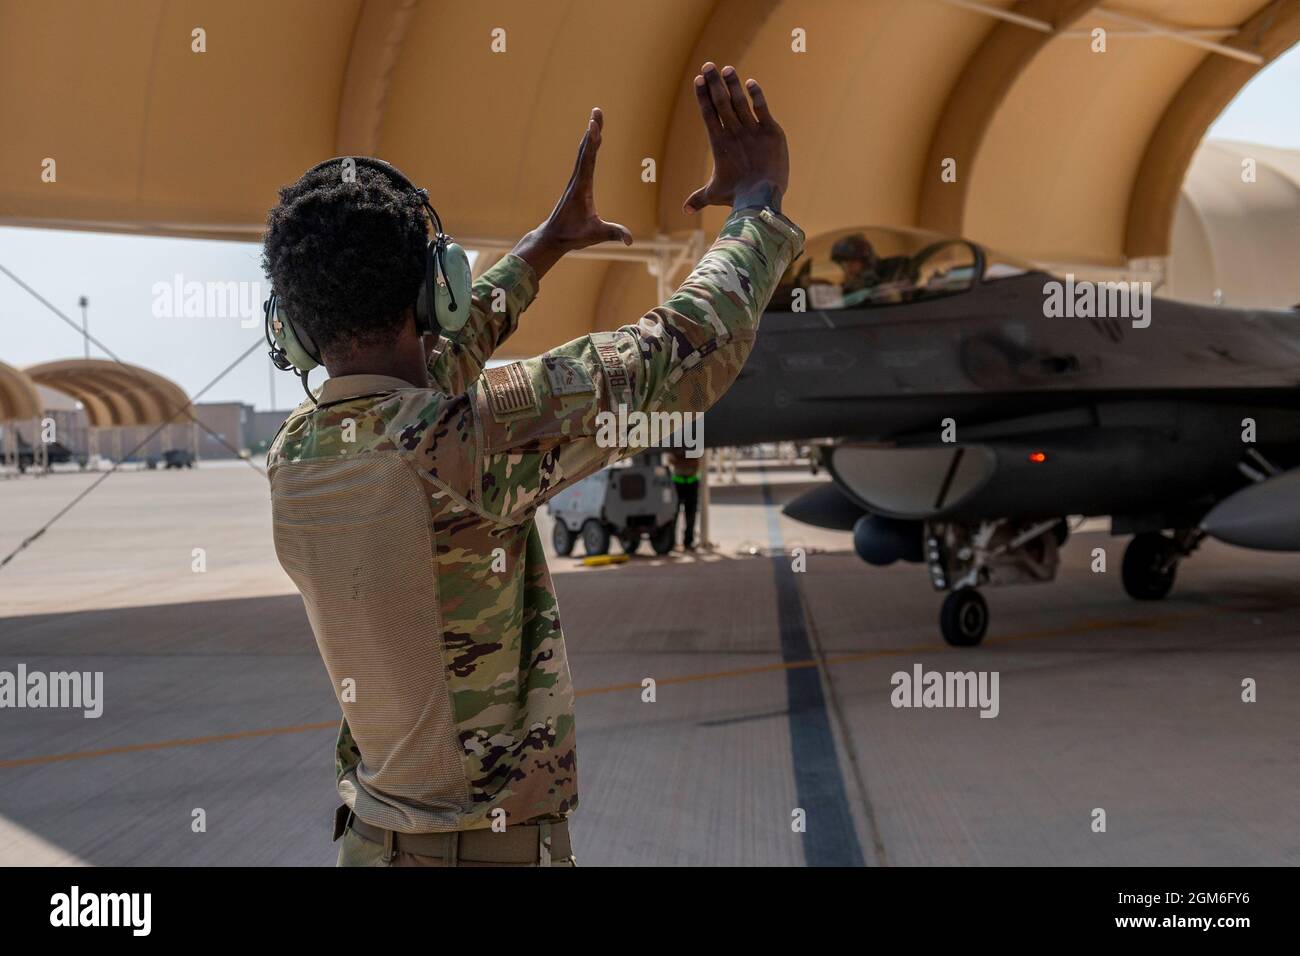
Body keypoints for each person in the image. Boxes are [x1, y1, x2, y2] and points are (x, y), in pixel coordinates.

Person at [262, 62, 802, 866]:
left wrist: (544, 248)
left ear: (294, 332)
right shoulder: (457, 443)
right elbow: (681, 351)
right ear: (433, 290)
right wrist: (758, 204)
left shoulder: (297, 451)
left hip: (375, 842)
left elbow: (433, 366)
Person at [831, 232, 911, 306]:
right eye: (843, 263)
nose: (846, 267)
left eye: (851, 262)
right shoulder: (847, 286)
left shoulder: (891, 274)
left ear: (865, 261)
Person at [668, 449, 702, 550]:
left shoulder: (694, 443)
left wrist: (681, 459)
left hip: (692, 482)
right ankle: (672, 542)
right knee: (673, 515)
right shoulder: (676, 442)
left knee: (691, 515)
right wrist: (687, 459)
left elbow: (696, 461)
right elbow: (671, 460)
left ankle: (688, 541)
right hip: (677, 483)